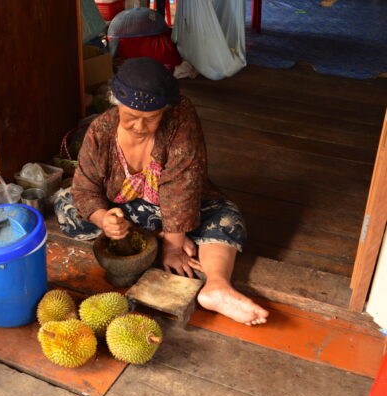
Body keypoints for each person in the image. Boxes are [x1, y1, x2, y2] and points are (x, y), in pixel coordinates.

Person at [54, 57, 268, 325]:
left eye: (151, 118)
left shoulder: (181, 118)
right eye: (130, 116)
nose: (139, 127)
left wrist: (175, 242)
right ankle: (156, 236)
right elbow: (84, 187)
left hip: (176, 207)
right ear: (116, 103)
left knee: (227, 217)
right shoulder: (101, 131)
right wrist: (104, 220)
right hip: (127, 210)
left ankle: (217, 286)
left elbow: (184, 183)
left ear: (164, 111)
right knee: (66, 203)